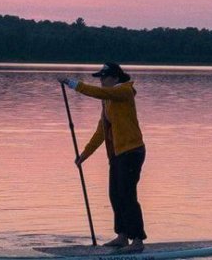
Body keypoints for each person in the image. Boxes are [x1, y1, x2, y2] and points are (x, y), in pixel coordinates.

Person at [58, 62, 147, 252]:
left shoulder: (124, 91)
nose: (101, 81)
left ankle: (138, 240)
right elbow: (101, 131)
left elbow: (101, 93)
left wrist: (72, 83)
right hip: (116, 154)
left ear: (115, 77)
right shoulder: (107, 100)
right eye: (99, 78)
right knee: (115, 195)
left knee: (127, 195)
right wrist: (84, 155)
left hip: (132, 152)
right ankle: (122, 236)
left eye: (103, 77)